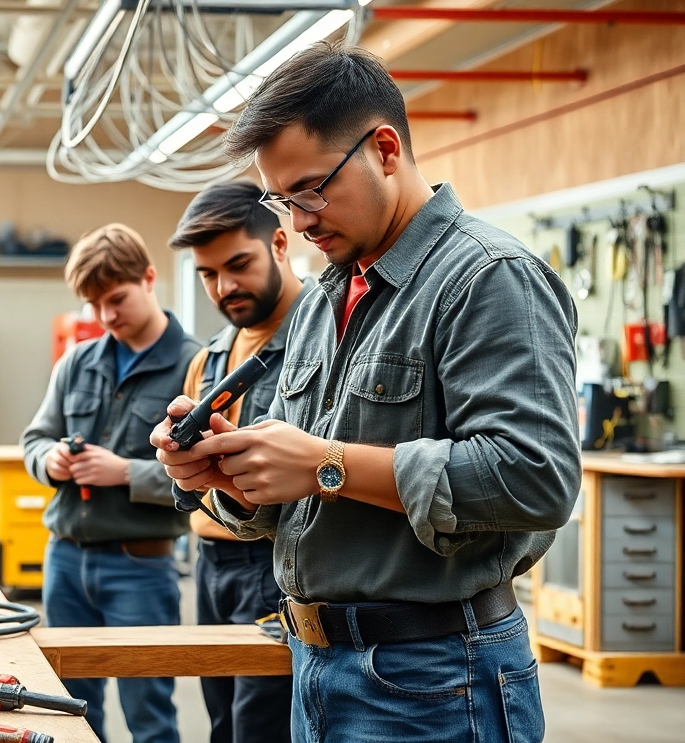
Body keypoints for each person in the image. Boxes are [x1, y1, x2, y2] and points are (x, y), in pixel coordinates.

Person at [153, 42, 579, 743]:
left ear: (385, 149)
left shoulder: (487, 278)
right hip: (317, 667)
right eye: (282, 200)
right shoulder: (325, 298)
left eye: (313, 190)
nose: (299, 222)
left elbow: (536, 480)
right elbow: (298, 495)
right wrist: (230, 474)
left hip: (435, 680)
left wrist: (327, 464)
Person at [22, 223, 200, 743]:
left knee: (148, 710)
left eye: (116, 299)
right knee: (70, 707)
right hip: (65, 560)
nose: (106, 317)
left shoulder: (193, 364)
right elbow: (34, 438)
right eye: (94, 305)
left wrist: (125, 473)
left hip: (140, 566)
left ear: (149, 278)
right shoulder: (78, 361)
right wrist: (48, 459)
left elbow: (208, 479)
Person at [168, 181, 307, 743]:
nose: (224, 287)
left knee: (261, 726)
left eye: (238, 264)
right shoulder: (213, 355)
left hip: (276, 565)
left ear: (279, 243)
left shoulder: (324, 340)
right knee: (222, 718)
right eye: (208, 274)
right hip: (212, 561)